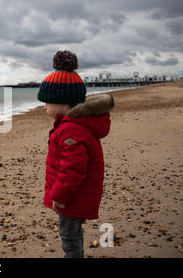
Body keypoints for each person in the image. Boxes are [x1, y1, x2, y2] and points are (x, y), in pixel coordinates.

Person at [37, 50, 115, 258]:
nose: (44, 106)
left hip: (72, 198)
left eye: (46, 101)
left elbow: (73, 169)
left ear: (62, 102)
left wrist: (60, 197)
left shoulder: (71, 129)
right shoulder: (70, 125)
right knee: (72, 232)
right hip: (75, 195)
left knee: (68, 235)